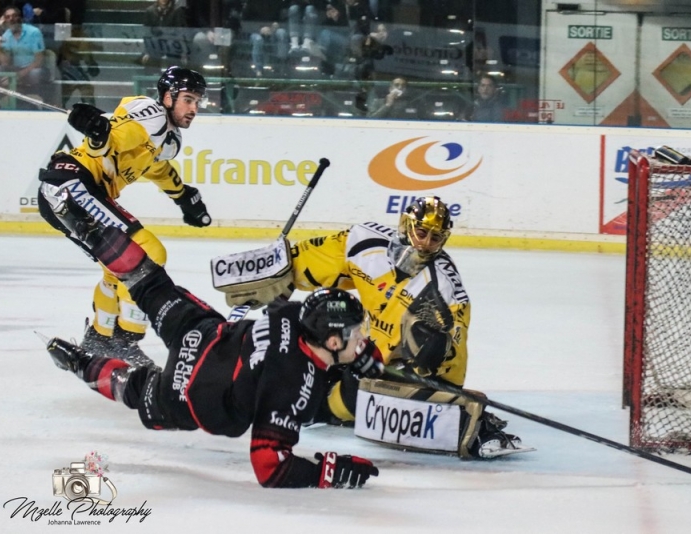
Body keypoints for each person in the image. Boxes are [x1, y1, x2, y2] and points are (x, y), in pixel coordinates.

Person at [41, 200, 381, 489]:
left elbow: (284, 310)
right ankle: (77, 362)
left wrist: (358, 354)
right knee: (131, 386)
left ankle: (91, 230)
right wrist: (327, 473)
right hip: (192, 394)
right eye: (357, 333)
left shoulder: (293, 313)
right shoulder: (292, 385)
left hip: (202, 335)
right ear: (333, 340)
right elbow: (270, 467)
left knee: (147, 280)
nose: (363, 339)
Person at [218, 196, 526, 458]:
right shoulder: (364, 242)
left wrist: (438, 354)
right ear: (407, 225)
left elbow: (454, 357)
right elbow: (313, 261)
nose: (427, 242)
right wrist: (278, 273)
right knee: (304, 329)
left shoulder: (444, 289)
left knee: (330, 404)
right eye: (422, 231)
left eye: (435, 237)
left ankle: (461, 422)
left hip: (388, 370)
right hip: (355, 347)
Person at [36, 66, 212, 367]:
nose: (194, 108)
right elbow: (110, 142)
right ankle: (124, 340)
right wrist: (97, 132)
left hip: (65, 191)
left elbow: (156, 168)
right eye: (188, 99)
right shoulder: (151, 115)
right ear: (168, 97)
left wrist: (182, 195)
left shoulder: (167, 137)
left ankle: (100, 337)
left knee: (117, 268)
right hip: (72, 184)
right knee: (147, 253)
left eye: (198, 101)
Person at [0, 6, 50, 104]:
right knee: (0, 70)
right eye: (7, 17)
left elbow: (39, 60)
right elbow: (5, 63)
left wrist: (17, 76)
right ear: (5, 20)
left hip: (33, 69)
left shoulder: (33, 32)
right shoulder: (7, 35)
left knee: (36, 74)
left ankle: (35, 102)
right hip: (16, 69)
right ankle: (3, 102)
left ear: (20, 18)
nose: (11, 19)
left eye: (14, 16)